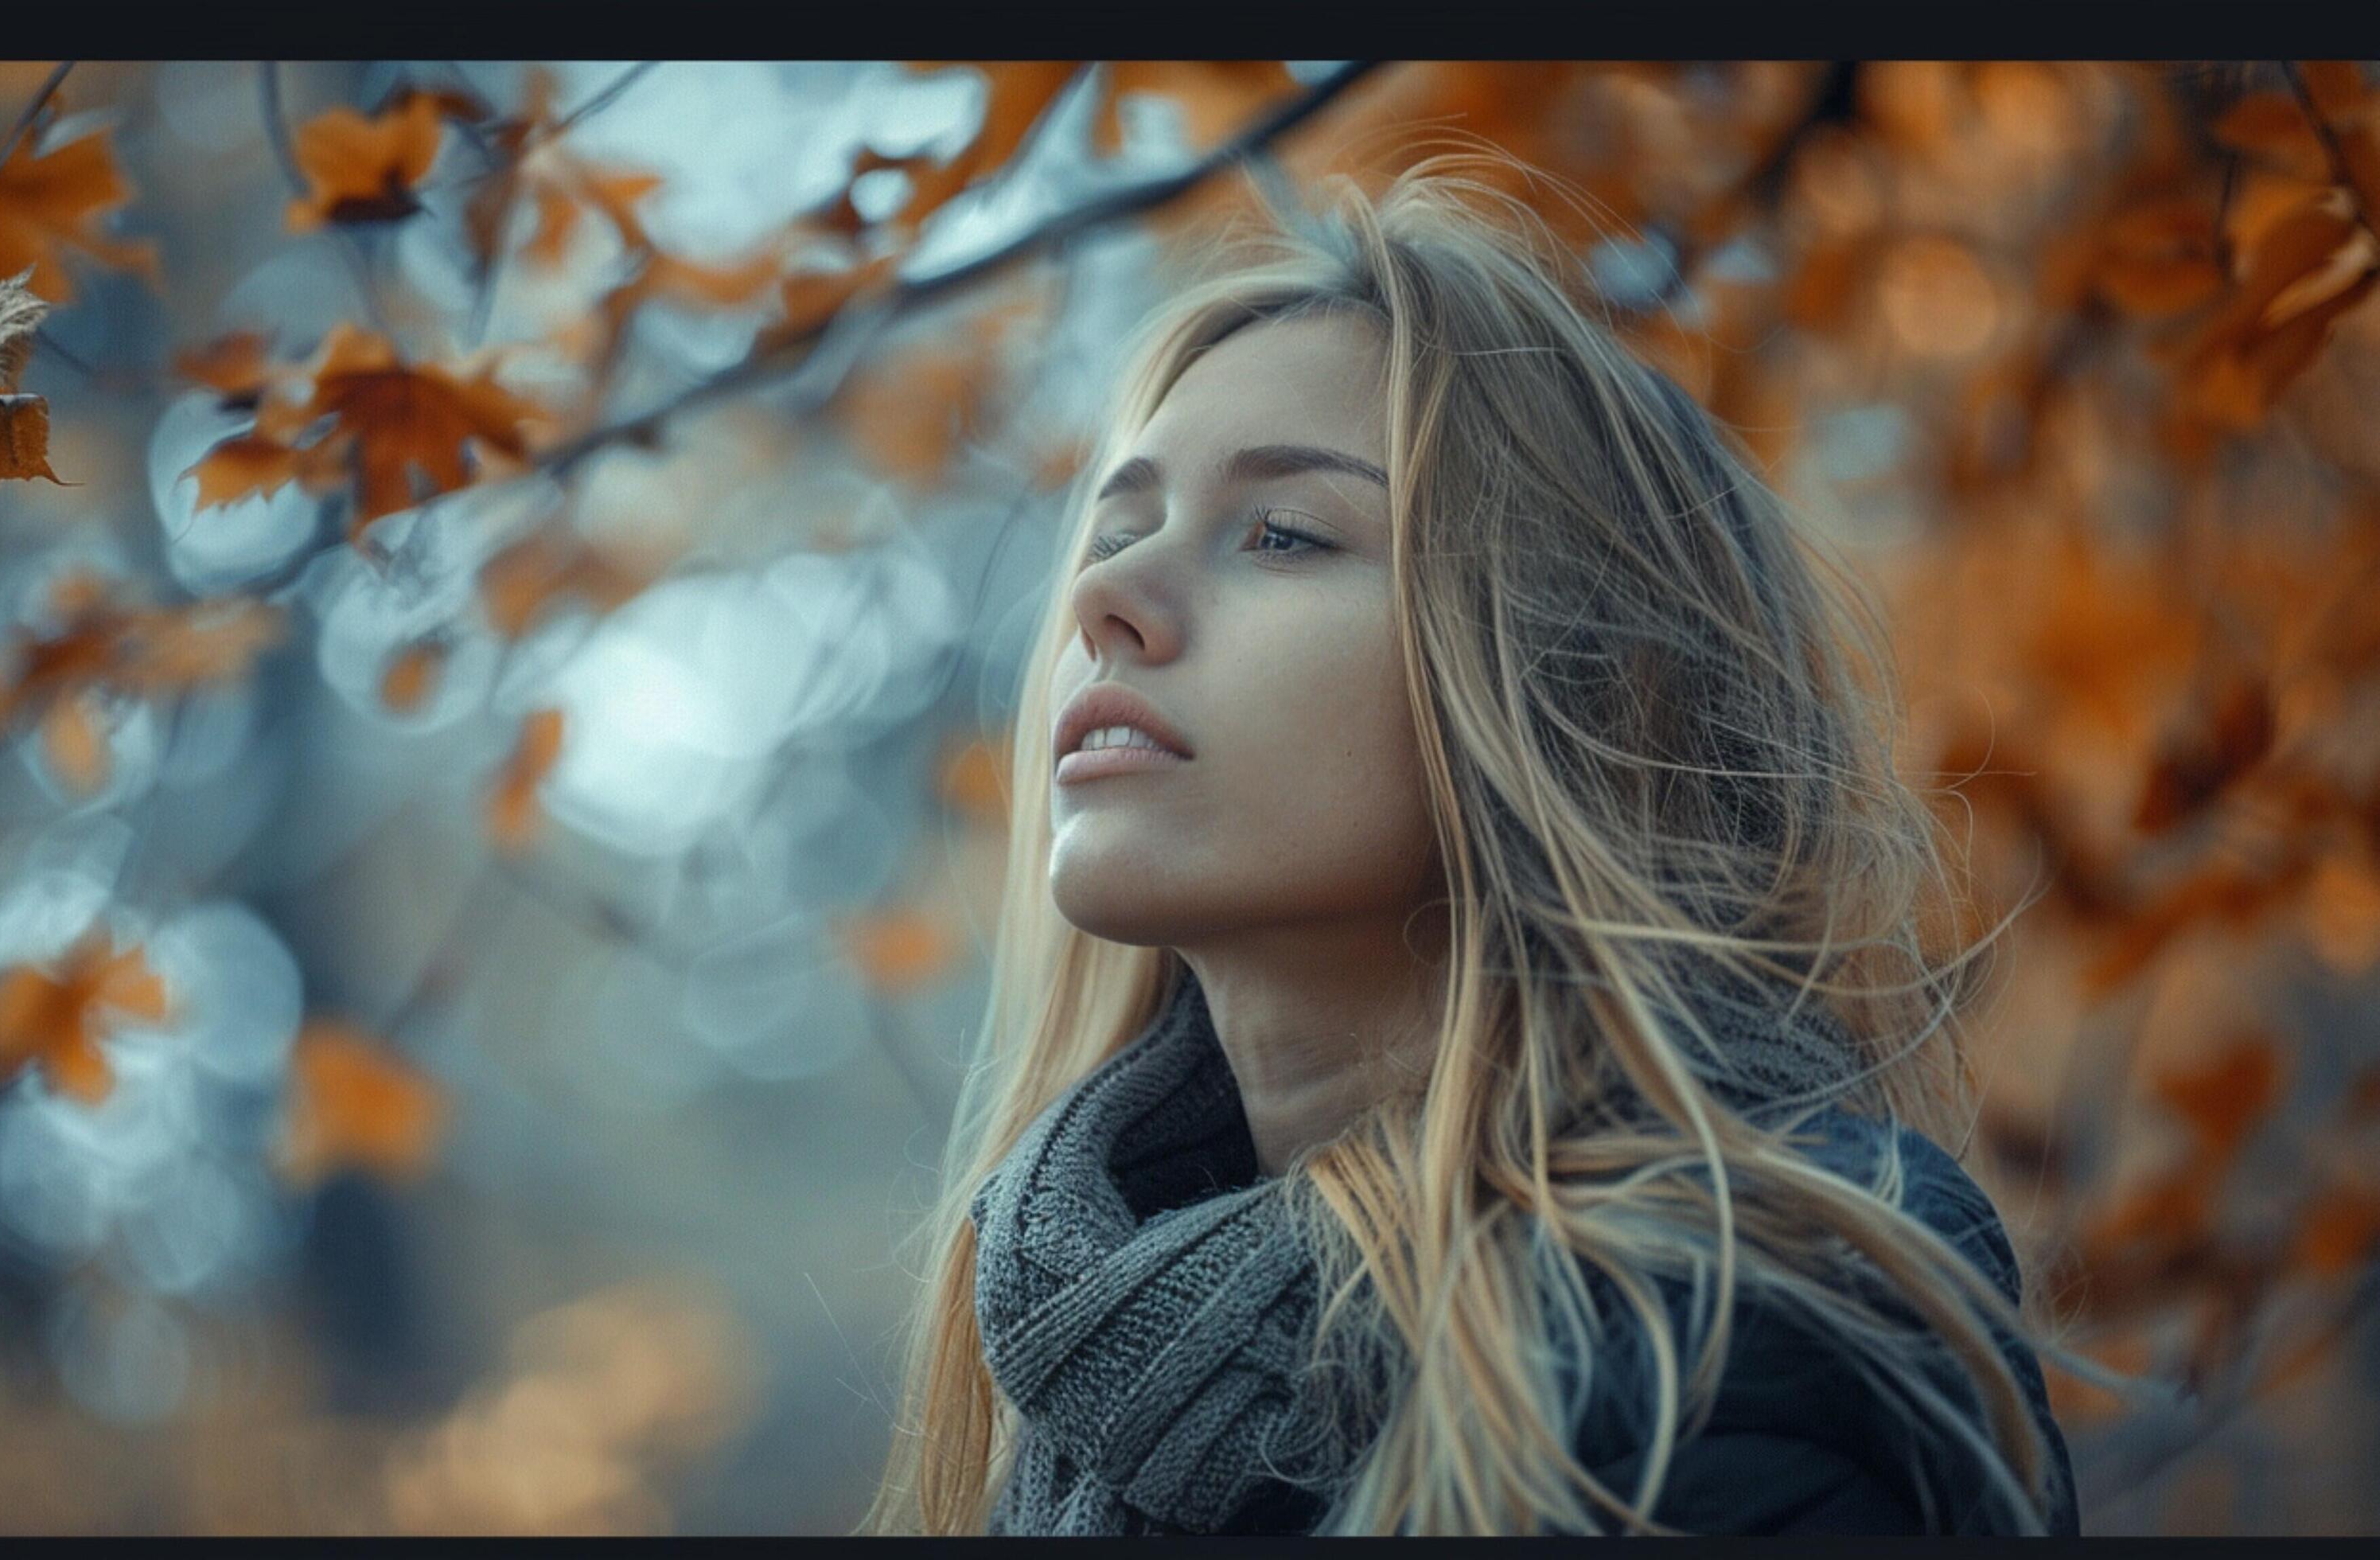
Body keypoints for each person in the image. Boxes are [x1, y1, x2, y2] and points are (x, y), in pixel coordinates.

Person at [860, 152, 2085, 1536]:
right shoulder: (1086, 1383)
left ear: (1579, 691)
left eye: (1279, 533)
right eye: (1118, 529)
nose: (1104, 596)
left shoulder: (1730, 1311)